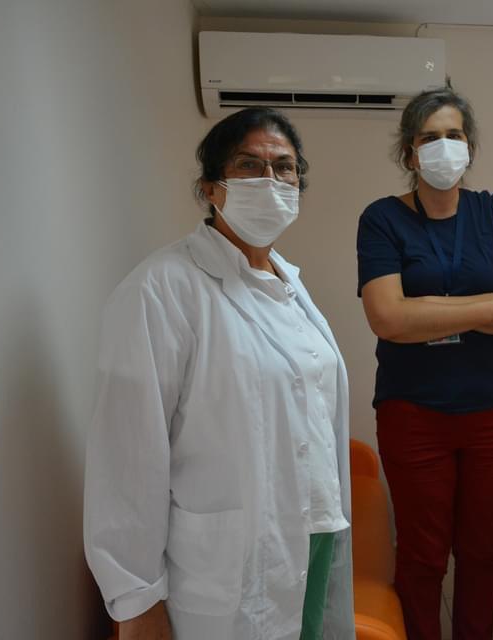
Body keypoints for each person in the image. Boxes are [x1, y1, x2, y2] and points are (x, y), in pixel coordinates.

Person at [83, 107, 354, 640]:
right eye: (249, 165)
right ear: (212, 188)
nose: (270, 180)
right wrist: (136, 601)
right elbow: (127, 457)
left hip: (314, 532)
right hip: (226, 564)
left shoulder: (288, 284)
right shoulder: (161, 289)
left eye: (284, 167)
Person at [355, 86, 493, 640]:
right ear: (410, 153)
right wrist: (489, 307)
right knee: (422, 553)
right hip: (414, 412)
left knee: (483, 550)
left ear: (470, 146)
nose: (443, 146)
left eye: (454, 135)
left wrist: (428, 311)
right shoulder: (382, 218)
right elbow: (388, 318)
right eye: (429, 137)